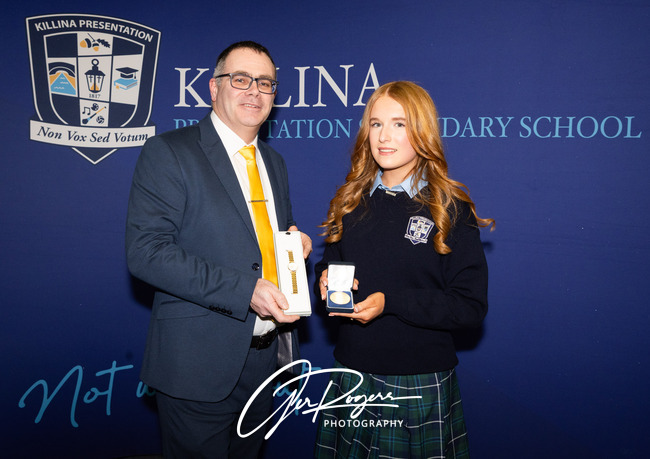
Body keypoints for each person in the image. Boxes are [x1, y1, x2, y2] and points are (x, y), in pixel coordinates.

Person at [125, 40, 311, 458]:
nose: (255, 91)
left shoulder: (274, 162)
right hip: (197, 365)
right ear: (214, 87)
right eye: (241, 79)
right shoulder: (170, 151)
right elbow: (147, 252)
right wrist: (245, 290)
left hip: (263, 363)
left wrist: (290, 248)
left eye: (265, 83)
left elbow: (257, 245)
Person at [313, 81, 494, 458]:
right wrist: (324, 278)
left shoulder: (449, 208)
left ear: (423, 131)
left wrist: (390, 302)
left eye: (399, 124)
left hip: (418, 380)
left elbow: (469, 307)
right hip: (351, 372)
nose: (384, 136)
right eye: (376, 124)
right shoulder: (350, 200)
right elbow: (331, 262)